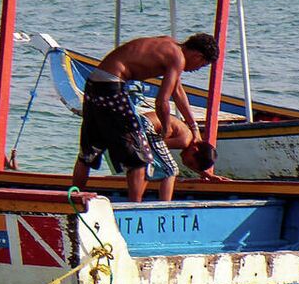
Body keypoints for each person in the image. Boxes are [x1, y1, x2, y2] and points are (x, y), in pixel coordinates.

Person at [71, 32, 218, 202]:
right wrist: (166, 128)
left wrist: (193, 127)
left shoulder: (168, 44)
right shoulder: (178, 58)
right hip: (112, 86)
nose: (194, 70)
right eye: (200, 66)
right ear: (198, 56)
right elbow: (162, 101)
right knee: (141, 158)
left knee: (89, 152)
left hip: (94, 83)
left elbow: (177, 92)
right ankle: (135, 208)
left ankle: (74, 200)